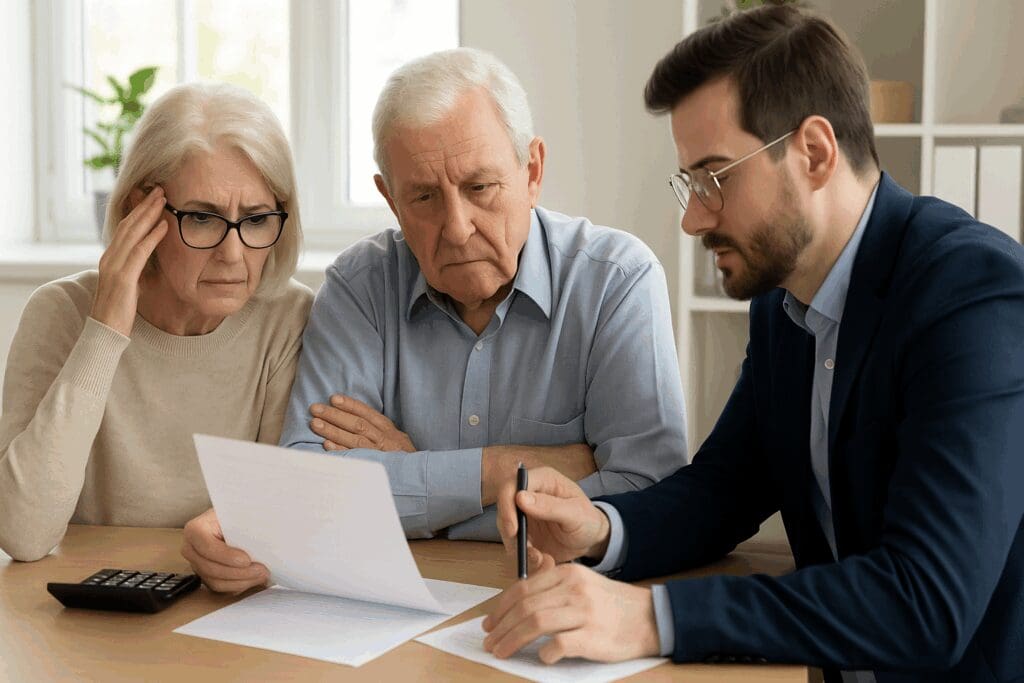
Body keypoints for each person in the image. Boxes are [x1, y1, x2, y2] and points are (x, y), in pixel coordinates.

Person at [483, 6, 1024, 683]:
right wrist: (599, 527)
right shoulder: (784, 300)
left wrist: (653, 616)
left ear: (815, 153)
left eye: (715, 177)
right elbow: (726, 488)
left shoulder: (970, 295)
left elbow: (925, 602)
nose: (692, 219)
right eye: (690, 183)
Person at [181, 47, 687, 591]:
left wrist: (420, 490)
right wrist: (499, 471)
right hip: (389, 615)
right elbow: (311, 489)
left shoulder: (616, 280)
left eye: (479, 188)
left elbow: (647, 491)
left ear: (532, 170)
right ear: (391, 200)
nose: (458, 228)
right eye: (423, 196)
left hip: (567, 604)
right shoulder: (359, 286)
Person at [0, 82, 312, 565]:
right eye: (203, 218)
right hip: (91, 608)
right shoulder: (59, 312)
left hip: (227, 605)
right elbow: (23, 533)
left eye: (255, 220)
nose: (233, 255)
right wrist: (105, 330)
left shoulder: (288, 319)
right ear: (139, 212)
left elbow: (272, 516)